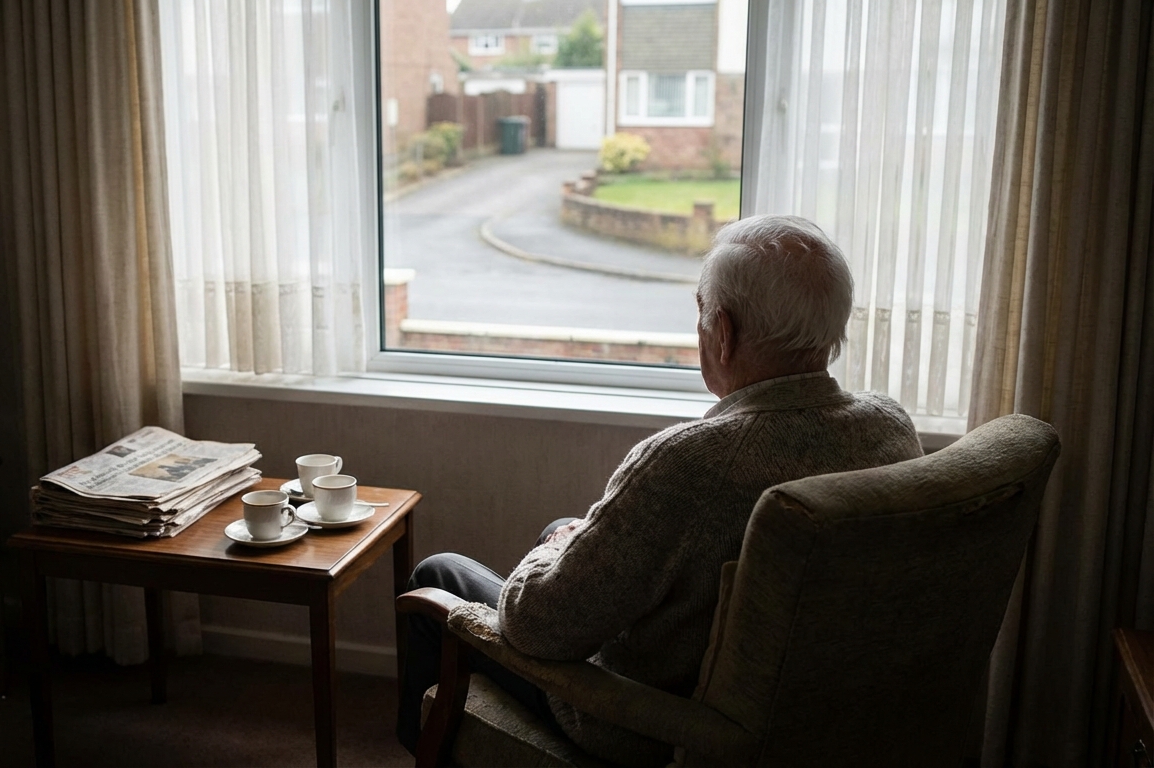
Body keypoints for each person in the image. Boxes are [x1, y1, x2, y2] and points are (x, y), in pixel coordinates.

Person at [396, 215, 925, 768]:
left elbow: (535, 626)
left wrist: (553, 553)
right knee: (563, 529)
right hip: (815, 716)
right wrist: (566, 541)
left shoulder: (691, 462)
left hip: (648, 726)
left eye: (700, 314)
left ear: (723, 331)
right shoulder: (888, 426)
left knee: (438, 575)